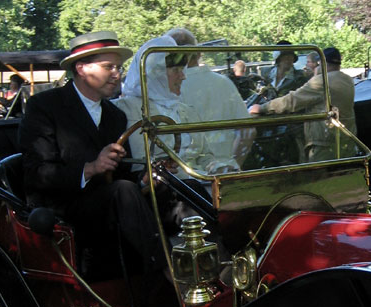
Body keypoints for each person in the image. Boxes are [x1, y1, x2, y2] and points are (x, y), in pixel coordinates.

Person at [18, 31, 165, 276]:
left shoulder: (115, 115)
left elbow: (121, 173)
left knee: (173, 190)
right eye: (109, 67)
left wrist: (145, 179)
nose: (117, 75)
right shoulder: (44, 107)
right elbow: (37, 174)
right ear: (82, 68)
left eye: (119, 67)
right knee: (124, 191)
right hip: (61, 209)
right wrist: (92, 168)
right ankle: (169, 274)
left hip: (109, 204)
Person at [113, 35, 231, 175]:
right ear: (157, 74)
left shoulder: (185, 111)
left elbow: (204, 156)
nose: (183, 76)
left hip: (199, 183)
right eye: (176, 70)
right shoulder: (129, 109)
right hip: (165, 187)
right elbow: (140, 162)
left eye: (183, 69)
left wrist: (217, 167)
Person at [249, 47, 357, 162]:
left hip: (324, 144)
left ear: (321, 64)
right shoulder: (347, 80)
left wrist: (262, 108)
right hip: (344, 141)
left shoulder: (322, 81)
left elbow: (292, 101)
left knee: (319, 178)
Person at [165, 28, 252, 169]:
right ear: (198, 54)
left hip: (189, 176)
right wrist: (232, 164)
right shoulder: (225, 83)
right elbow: (248, 132)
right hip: (225, 173)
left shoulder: (169, 88)